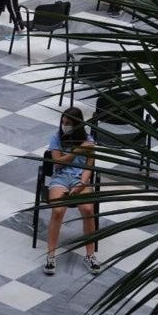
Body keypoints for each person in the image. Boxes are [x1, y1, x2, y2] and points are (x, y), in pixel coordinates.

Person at [43, 108, 101, 276]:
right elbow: (58, 163)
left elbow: (90, 166)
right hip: (60, 178)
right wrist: (76, 152)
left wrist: (82, 183)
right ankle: (51, 255)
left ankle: (90, 255)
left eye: (68, 123)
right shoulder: (56, 138)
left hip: (80, 180)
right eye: (63, 122)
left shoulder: (89, 141)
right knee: (58, 210)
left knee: (88, 210)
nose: (64, 126)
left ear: (77, 124)